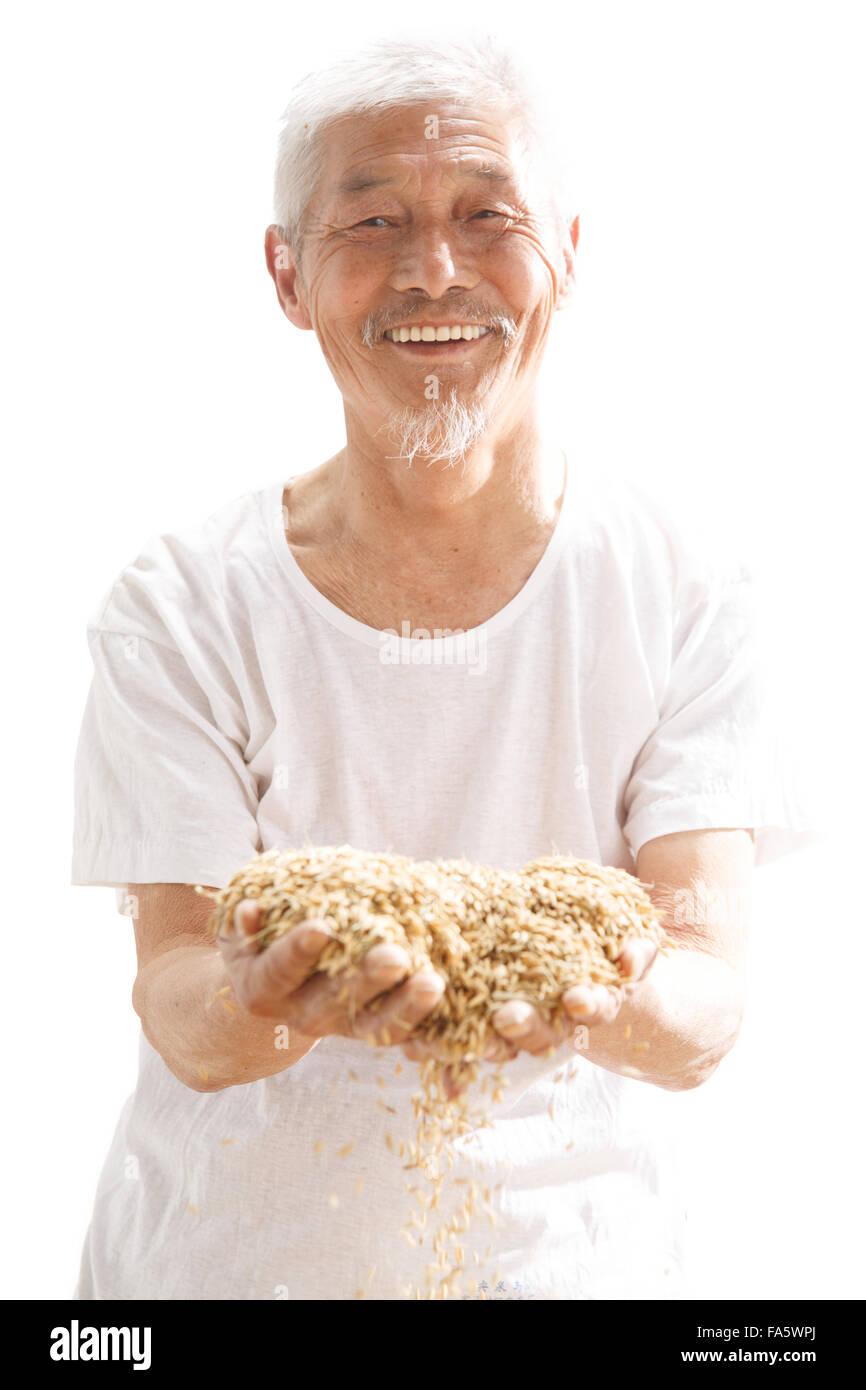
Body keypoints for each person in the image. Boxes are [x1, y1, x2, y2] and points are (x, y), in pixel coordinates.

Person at [70, 33, 812, 1301]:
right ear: (287, 275)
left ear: (566, 256)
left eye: (487, 216)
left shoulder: (684, 596)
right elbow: (181, 993)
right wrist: (275, 997)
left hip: (579, 1272)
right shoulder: (180, 609)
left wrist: (587, 980)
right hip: (228, 1273)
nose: (432, 272)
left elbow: (702, 1006)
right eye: (370, 221)